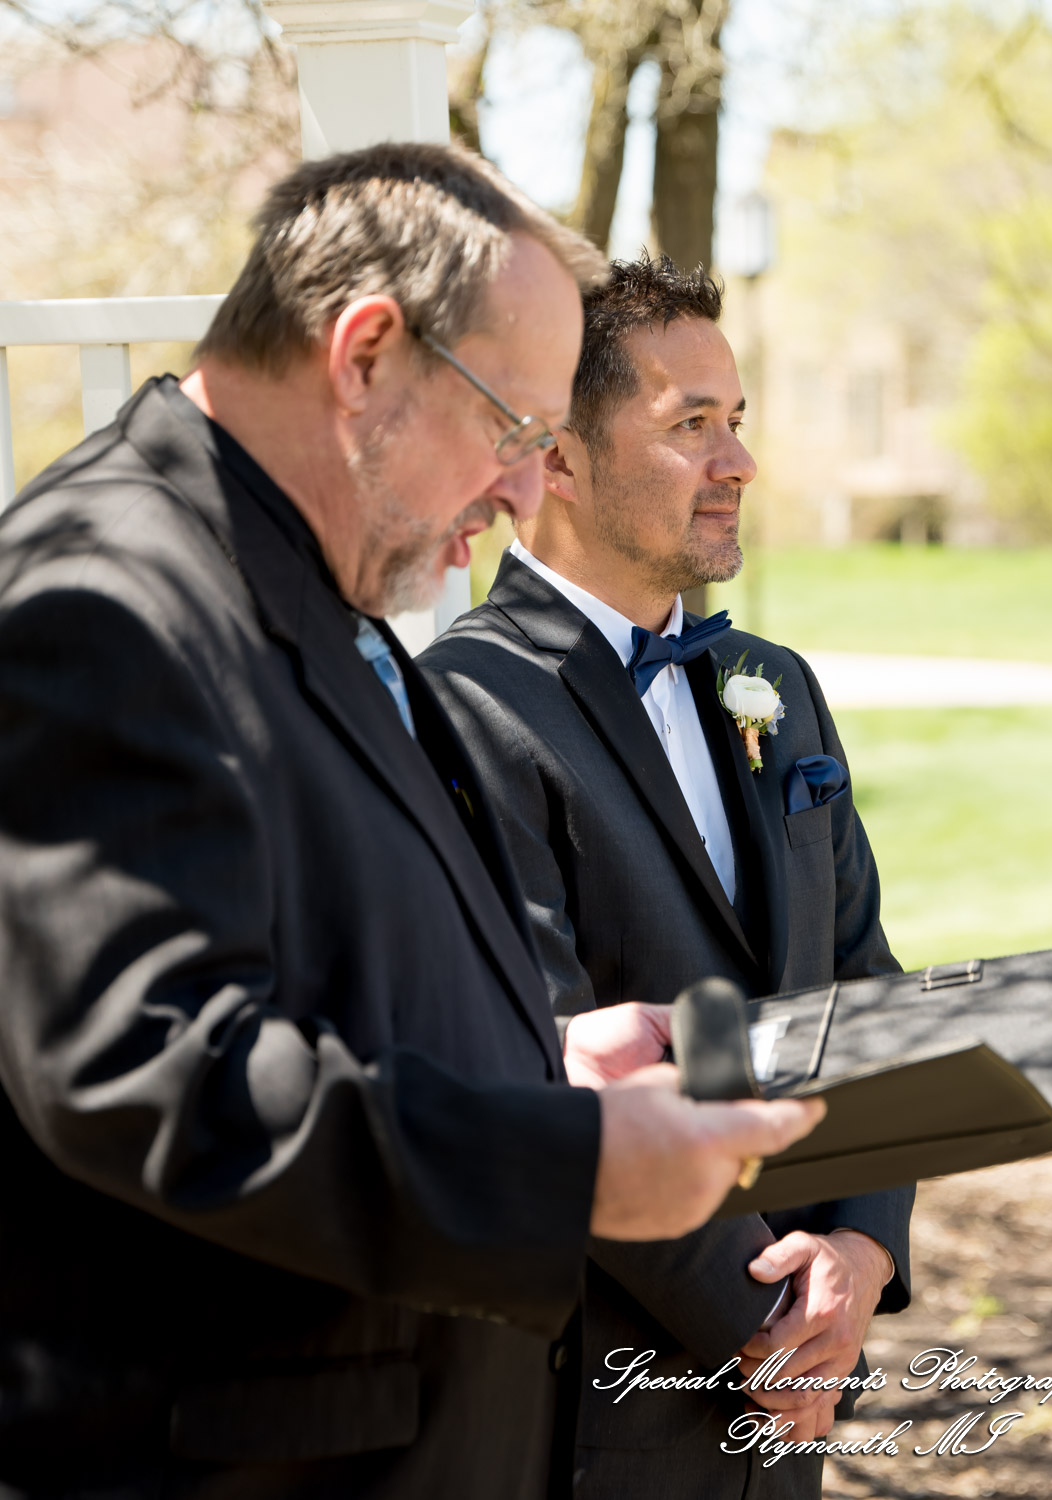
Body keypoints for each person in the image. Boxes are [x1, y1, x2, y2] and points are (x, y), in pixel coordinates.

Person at [0, 153, 824, 1500]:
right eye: (512, 429)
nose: (519, 492)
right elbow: (152, 1075)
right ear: (368, 355)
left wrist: (538, 1058)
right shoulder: (100, 600)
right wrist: (572, 1163)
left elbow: (315, 967)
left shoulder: (305, 587)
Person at [421, 253, 916, 1499]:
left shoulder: (777, 687)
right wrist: (761, 1325)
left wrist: (860, 1244)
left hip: (790, 1409)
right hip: (595, 1414)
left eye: (735, 420)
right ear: (558, 459)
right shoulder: (466, 710)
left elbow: (860, 976)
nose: (738, 461)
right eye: (690, 424)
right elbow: (535, 1054)